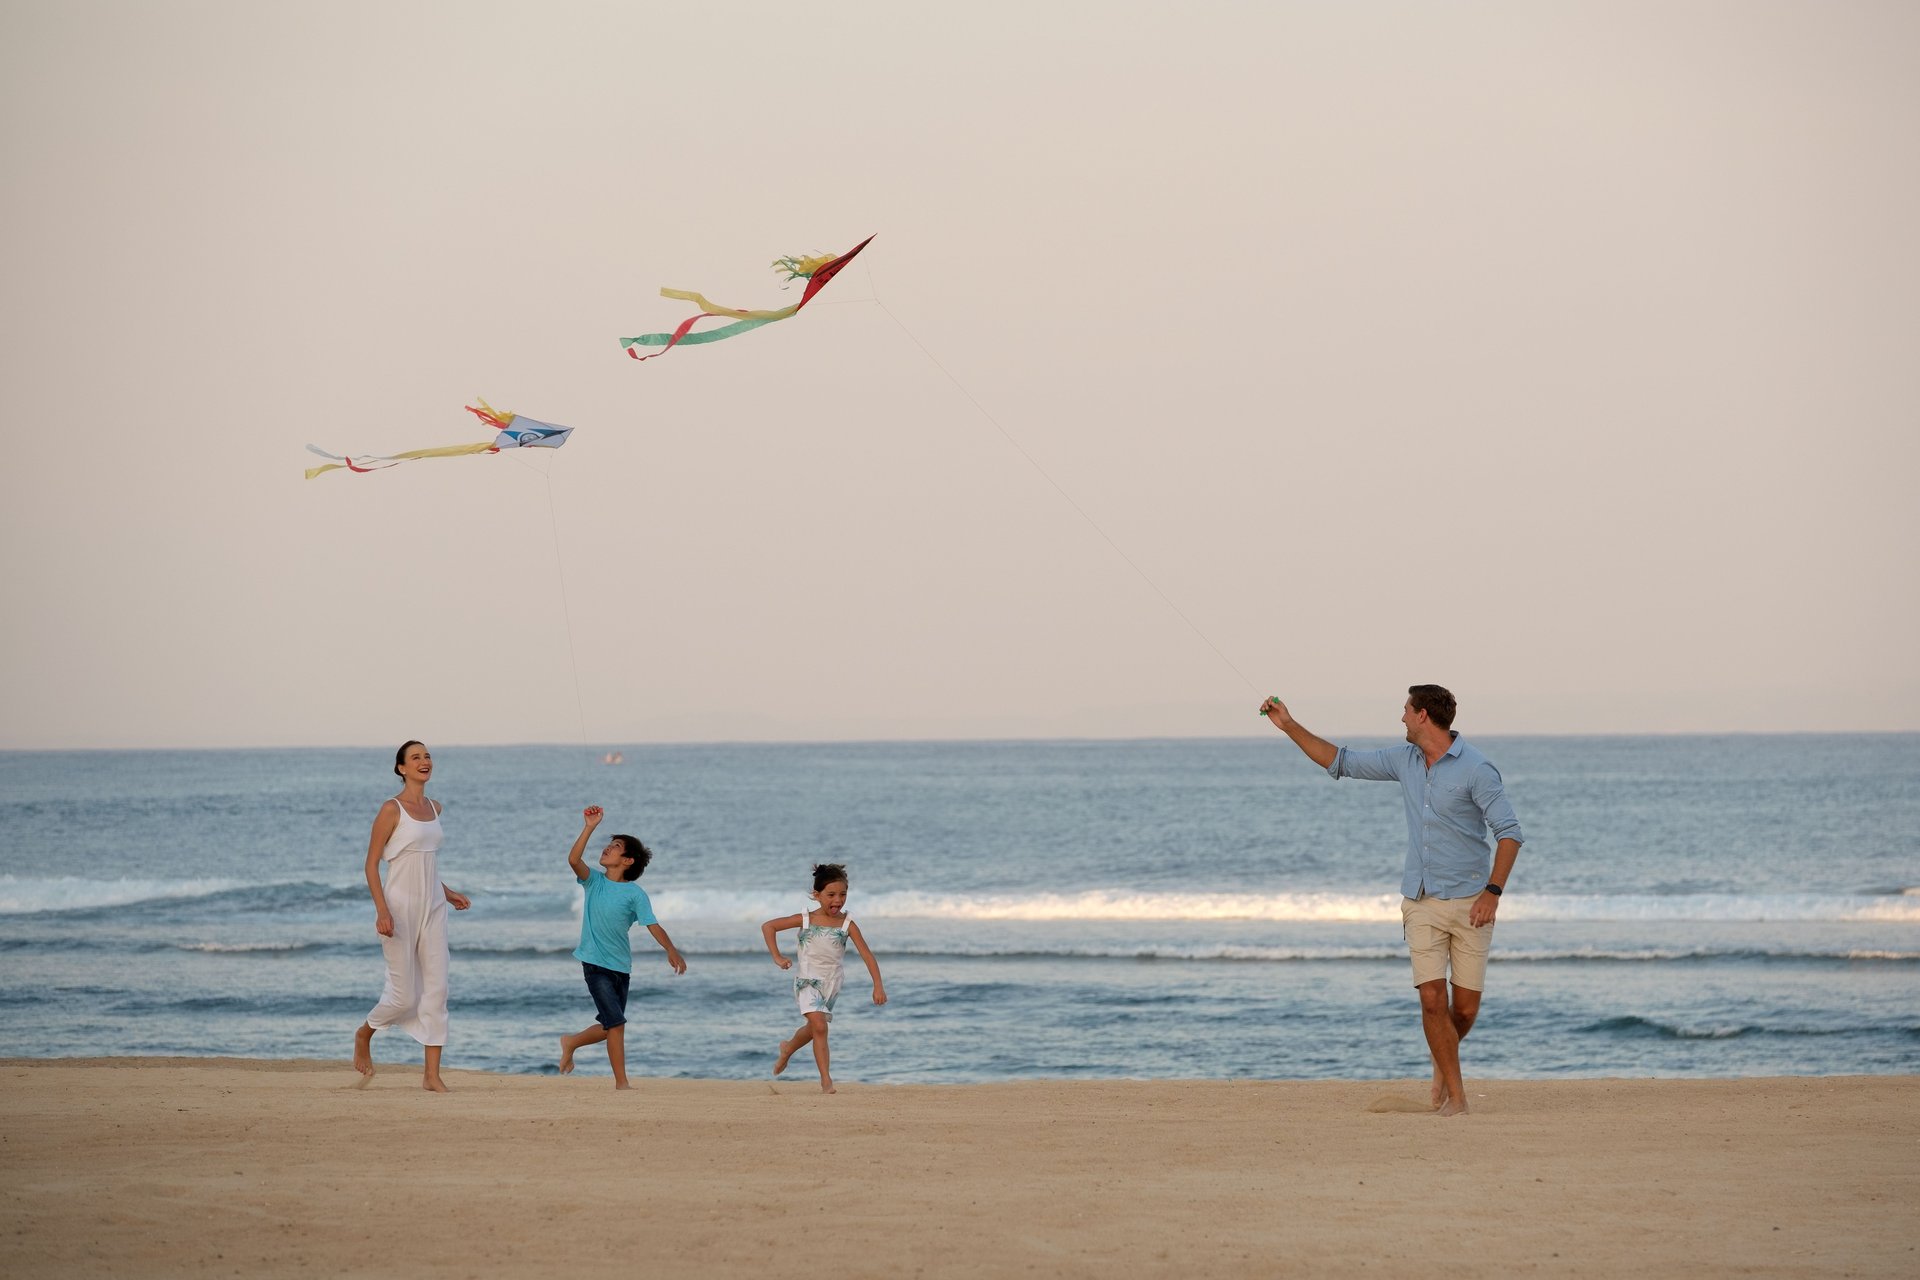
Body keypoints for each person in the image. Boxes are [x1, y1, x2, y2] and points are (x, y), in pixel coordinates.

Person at [1260, 686, 1524, 1116]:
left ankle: (1444, 1063)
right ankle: (1457, 1098)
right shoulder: (1405, 761)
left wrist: (1493, 893)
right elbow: (1339, 761)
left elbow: (1509, 834)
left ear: (1423, 716)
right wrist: (1288, 725)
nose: (1400, 718)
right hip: (1420, 901)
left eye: (1405, 710)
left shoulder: (1478, 769)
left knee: (1466, 1009)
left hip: (1472, 903)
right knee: (1432, 1001)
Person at [353, 740, 471, 1092]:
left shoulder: (436, 808)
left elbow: (425, 862)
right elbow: (372, 865)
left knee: (437, 988)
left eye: (427, 756)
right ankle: (365, 1032)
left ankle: (431, 1075)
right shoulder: (392, 809)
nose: (424, 761)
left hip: (433, 905)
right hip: (400, 907)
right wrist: (382, 910)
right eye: (416, 757)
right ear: (402, 768)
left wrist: (448, 894)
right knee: (404, 996)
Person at [557, 805, 686, 1088]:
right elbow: (573, 858)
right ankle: (622, 1084)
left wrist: (670, 949)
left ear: (627, 860)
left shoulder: (635, 894)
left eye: (615, 847)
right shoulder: (594, 882)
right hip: (594, 964)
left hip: (621, 967)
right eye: (608, 844)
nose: (607, 848)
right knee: (617, 1024)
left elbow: (652, 924)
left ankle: (571, 1042)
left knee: (609, 1026)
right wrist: (589, 827)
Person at [762, 864, 886, 1093]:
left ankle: (788, 1048)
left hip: (832, 984)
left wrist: (878, 985)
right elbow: (769, 926)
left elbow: (867, 955)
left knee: (814, 1028)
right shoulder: (806, 920)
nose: (838, 900)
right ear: (817, 895)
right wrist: (777, 957)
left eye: (843, 894)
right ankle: (826, 1080)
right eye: (831, 895)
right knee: (820, 1026)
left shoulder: (847, 925)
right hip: (807, 981)